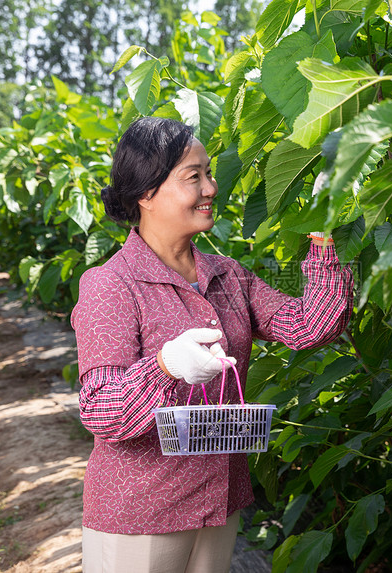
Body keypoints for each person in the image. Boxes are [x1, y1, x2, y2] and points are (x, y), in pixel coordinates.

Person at [70, 116, 354, 573]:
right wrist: (165, 365)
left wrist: (323, 229)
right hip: (143, 508)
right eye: (193, 176)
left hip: (218, 499)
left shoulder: (228, 275)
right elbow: (102, 412)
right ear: (146, 193)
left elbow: (311, 326)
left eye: (209, 172)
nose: (211, 187)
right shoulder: (110, 285)